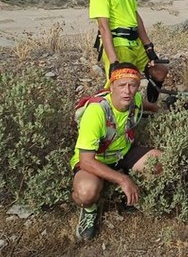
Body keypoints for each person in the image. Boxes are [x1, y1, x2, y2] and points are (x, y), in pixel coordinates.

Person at [70, 62, 163, 241]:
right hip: (95, 160)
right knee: (86, 192)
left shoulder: (133, 99)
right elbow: (86, 161)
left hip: (123, 153)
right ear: (111, 86)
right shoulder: (97, 111)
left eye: (132, 85)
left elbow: (146, 104)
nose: (127, 91)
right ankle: (90, 210)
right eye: (121, 85)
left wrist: (165, 109)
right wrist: (122, 179)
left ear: (137, 87)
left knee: (162, 162)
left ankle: (129, 195)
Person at [88, 0, 169, 103]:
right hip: (118, 44)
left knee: (159, 71)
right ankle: (110, 115)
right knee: (124, 86)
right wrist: (114, 62)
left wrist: (149, 47)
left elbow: (134, 14)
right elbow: (103, 27)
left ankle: (149, 107)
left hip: (135, 42)